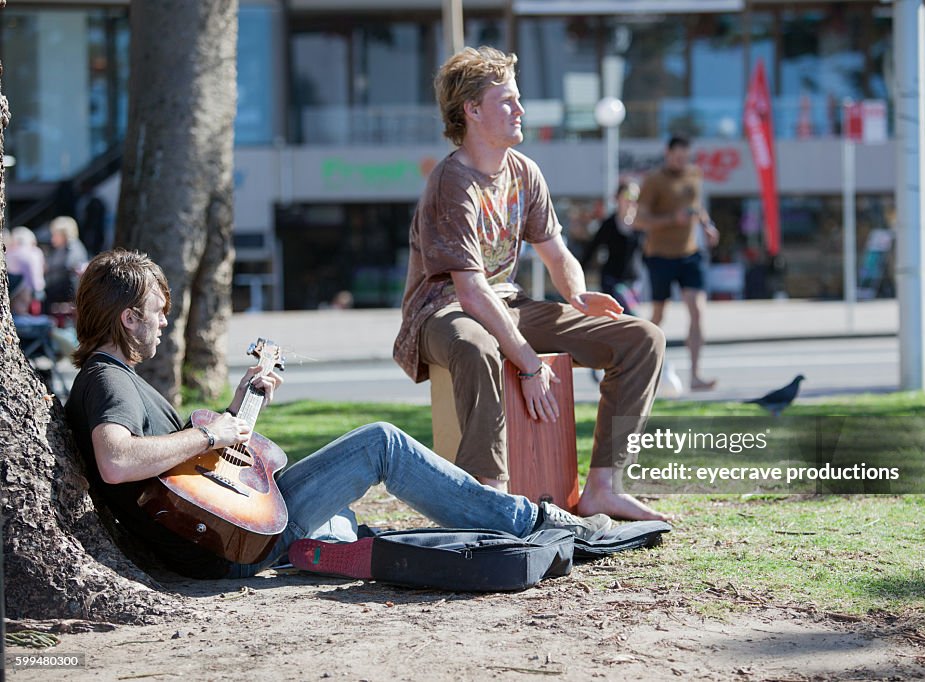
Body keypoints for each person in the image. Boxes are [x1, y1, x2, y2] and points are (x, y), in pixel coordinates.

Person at [64, 250, 614, 580]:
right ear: (130, 318)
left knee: (348, 524)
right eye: (158, 314)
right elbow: (116, 460)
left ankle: (347, 544)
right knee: (382, 443)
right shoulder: (108, 379)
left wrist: (235, 413)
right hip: (228, 547)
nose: (164, 324)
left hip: (224, 541)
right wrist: (211, 431)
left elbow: (189, 471)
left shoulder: (115, 380)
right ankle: (530, 521)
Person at [393, 46, 667, 522]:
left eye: (518, 99)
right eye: (507, 101)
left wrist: (576, 295)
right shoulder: (450, 184)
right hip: (441, 311)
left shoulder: (525, 172)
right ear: (472, 110)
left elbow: (557, 252)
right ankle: (487, 491)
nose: (520, 110)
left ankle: (603, 485)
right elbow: (470, 291)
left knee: (642, 339)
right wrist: (528, 363)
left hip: (508, 302)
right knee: (477, 344)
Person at [634, 136, 720, 392]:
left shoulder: (694, 174)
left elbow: (696, 206)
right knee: (659, 315)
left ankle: (695, 375)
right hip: (660, 255)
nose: (682, 161)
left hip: (690, 254)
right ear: (667, 153)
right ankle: (640, 366)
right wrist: (673, 218)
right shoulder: (654, 180)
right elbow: (639, 220)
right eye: (677, 156)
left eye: (686, 156)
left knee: (697, 310)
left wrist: (707, 225)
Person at [579, 181, 643, 317]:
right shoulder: (609, 224)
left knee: (629, 319)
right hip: (612, 278)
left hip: (633, 280)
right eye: (627, 195)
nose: (631, 200)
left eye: (635, 197)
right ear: (618, 198)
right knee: (625, 313)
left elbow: (647, 251)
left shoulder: (640, 224)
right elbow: (592, 248)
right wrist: (579, 272)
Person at [44, 215, 91, 312]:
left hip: (67, 289)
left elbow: (69, 265)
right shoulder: (58, 249)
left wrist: (48, 268)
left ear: (64, 234)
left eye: (55, 235)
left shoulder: (73, 247)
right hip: (56, 287)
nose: (52, 238)